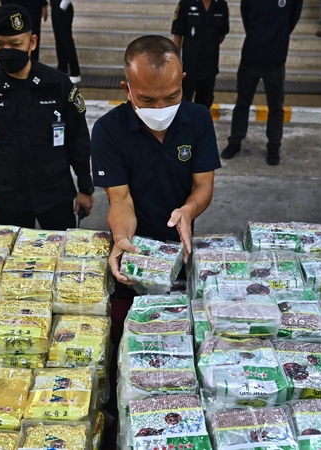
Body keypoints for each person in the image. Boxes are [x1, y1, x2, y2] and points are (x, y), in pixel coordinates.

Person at [91, 35, 221, 341]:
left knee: (179, 335)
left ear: (182, 83)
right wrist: (122, 238)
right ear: (128, 90)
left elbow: (203, 185)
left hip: (184, 249)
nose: (160, 108)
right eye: (148, 100)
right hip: (134, 254)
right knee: (132, 337)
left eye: (172, 97)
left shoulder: (198, 119)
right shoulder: (108, 130)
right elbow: (120, 201)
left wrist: (188, 210)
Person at [0, 4, 93, 230]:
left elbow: (78, 138)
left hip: (56, 194)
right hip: (10, 197)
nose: (7, 50)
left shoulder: (58, 84)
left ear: (32, 43)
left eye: (15, 44)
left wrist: (85, 187)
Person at [221, 0, 303, 166]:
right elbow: (247, 15)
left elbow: (292, 19)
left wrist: (279, 38)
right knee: (242, 103)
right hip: (251, 56)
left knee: (276, 106)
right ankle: (235, 141)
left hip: (276, 59)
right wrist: (256, 35)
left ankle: (273, 146)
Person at [171, 0, 229, 109]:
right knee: (183, 103)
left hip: (209, 66)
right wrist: (175, 62)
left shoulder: (221, 5)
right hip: (189, 66)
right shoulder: (186, 3)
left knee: (204, 106)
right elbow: (178, 35)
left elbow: (221, 35)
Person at [49, 0, 79, 83]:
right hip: (55, 6)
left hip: (63, 7)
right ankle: (62, 69)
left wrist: (62, 6)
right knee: (59, 41)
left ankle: (75, 72)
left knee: (67, 41)